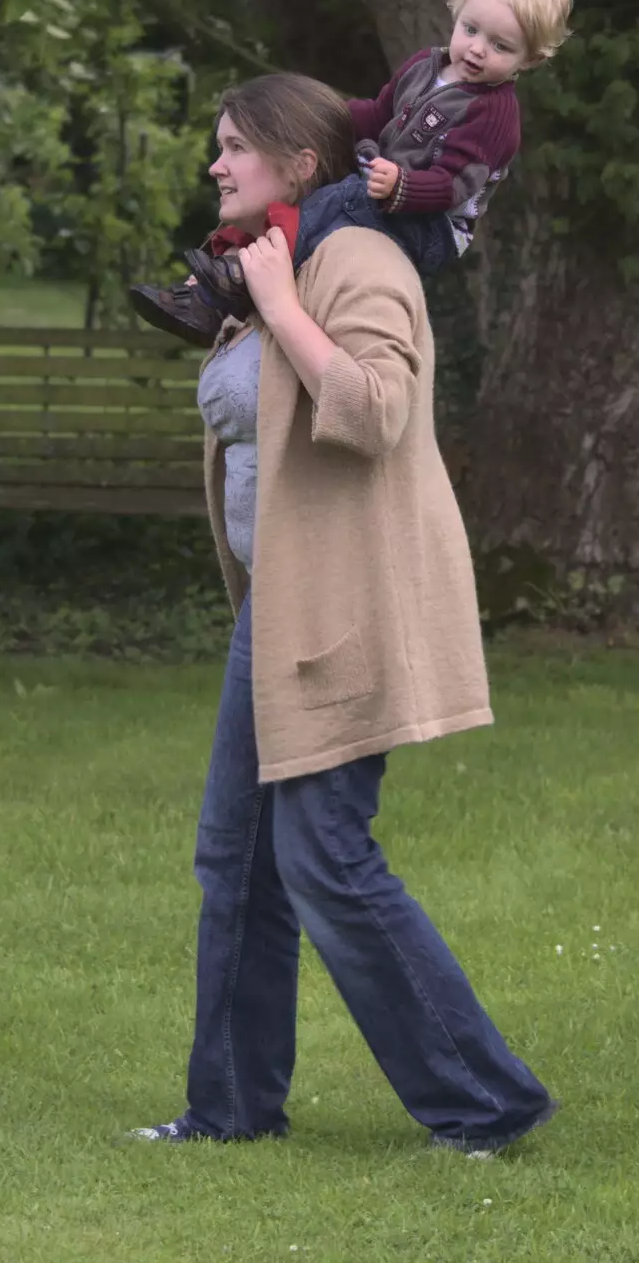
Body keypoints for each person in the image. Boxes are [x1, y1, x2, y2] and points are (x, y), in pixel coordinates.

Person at [129, 72, 556, 1155]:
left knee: (324, 855)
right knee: (239, 859)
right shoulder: (282, 255)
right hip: (282, 605)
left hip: (348, 606)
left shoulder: (359, 259)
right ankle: (228, 1109)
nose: (216, 164)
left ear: (302, 161)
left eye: (234, 146)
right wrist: (258, 291)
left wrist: (277, 307)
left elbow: (373, 409)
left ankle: (486, 1101)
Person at [127, 0, 572, 347]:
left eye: (500, 46)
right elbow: (377, 112)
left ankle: (243, 275)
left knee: (339, 199)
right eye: (471, 29)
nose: (476, 49)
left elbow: (454, 185)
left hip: (433, 223)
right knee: (308, 192)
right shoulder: (426, 65)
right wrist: (319, 117)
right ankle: (205, 299)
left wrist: (402, 186)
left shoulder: (494, 115)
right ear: (456, 14)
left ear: (529, 59)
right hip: (386, 185)